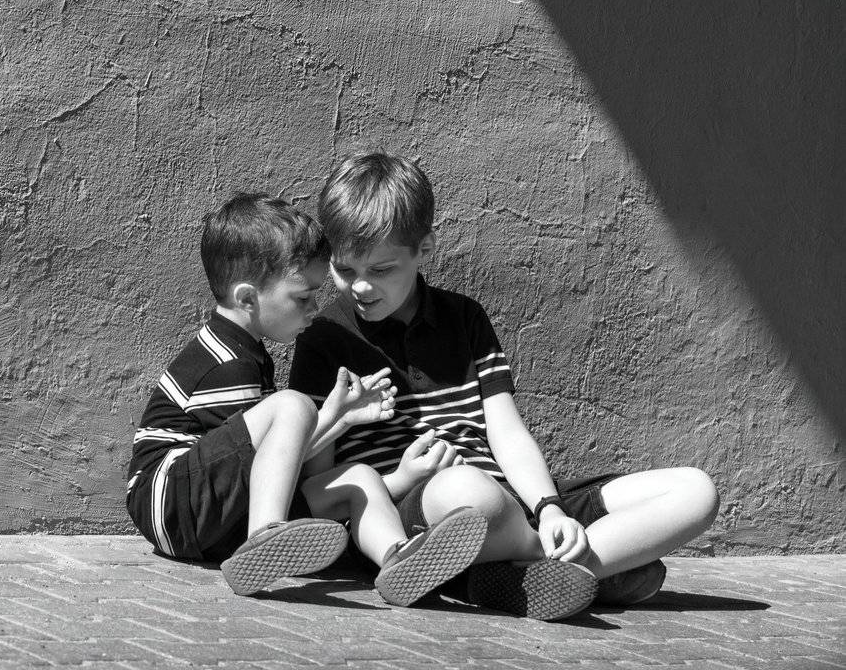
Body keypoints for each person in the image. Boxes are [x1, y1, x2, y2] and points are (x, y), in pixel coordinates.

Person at [288, 153, 720, 621]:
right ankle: (576, 564)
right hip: (423, 511)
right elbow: (321, 483)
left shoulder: (464, 318)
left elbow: (507, 434)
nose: (360, 287)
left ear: (424, 249)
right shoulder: (323, 338)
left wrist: (549, 508)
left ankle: (521, 572)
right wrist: (384, 460)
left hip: (515, 500)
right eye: (345, 270)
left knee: (695, 491)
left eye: (381, 270)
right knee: (466, 491)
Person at [126, 192, 488, 603]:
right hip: (172, 501)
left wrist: (340, 418)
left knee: (358, 477)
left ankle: (397, 559)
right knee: (294, 404)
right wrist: (329, 416)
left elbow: (269, 463)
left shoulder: (249, 354)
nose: (315, 307)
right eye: (302, 297)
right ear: (246, 299)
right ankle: (265, 537)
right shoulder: (225, 362)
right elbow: (257, 462)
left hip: (215, 519)